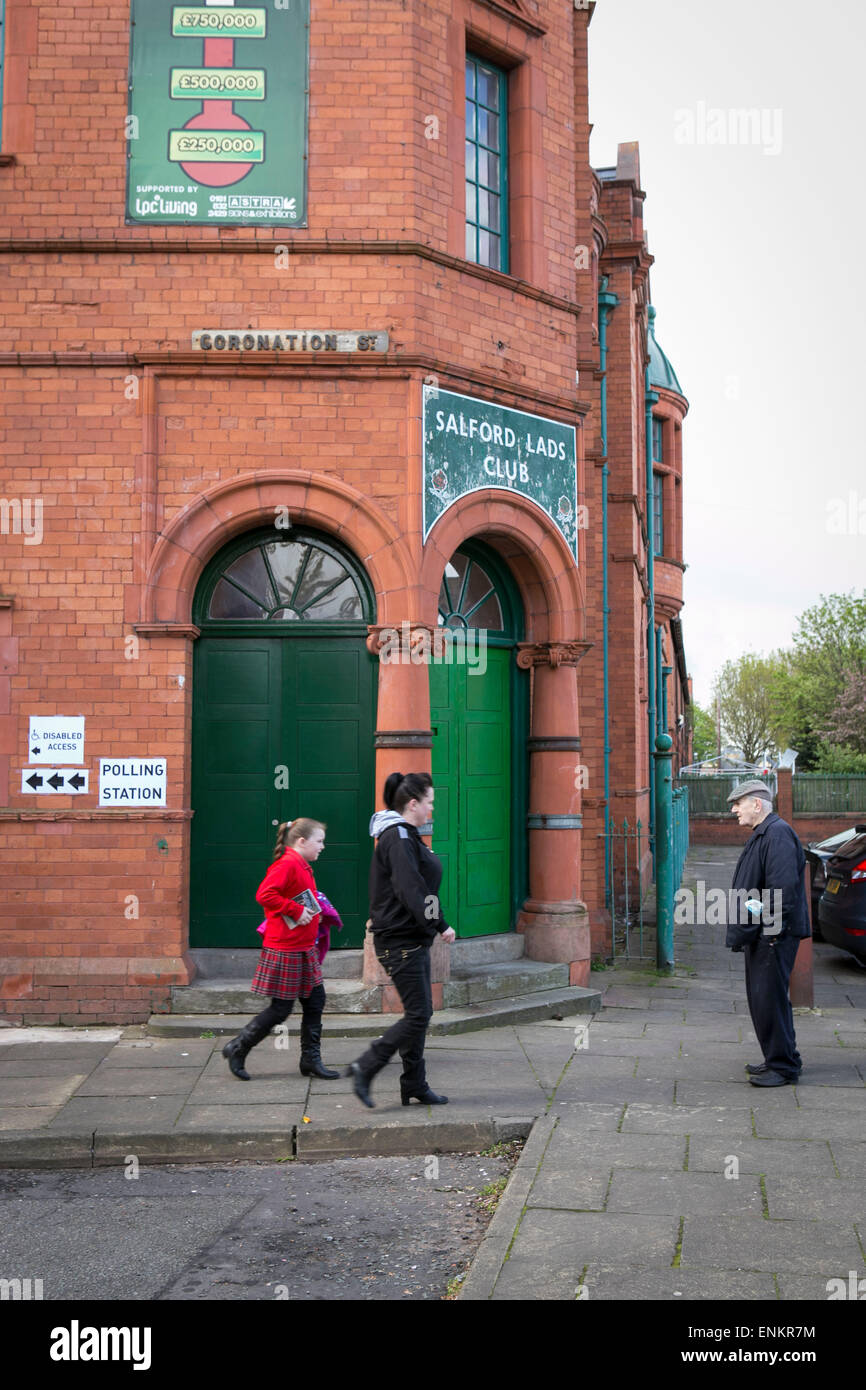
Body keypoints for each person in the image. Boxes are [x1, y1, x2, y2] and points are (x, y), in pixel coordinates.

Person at [347, 772, 456, 1108]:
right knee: (419, 1014)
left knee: (418, 1013)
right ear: (413, 804)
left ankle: (414, 1084)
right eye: (429, 803)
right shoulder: (399, 838)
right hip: (400, 940)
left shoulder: (404, 836)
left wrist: (434, 923)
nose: (432, 810)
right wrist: (441, 924)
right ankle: (366, 1066)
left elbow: (420, 887)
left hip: (411, 938)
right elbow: (412, 890)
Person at [222, 818, 340, 1082]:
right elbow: (264, 894)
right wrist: (297, 910)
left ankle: (310, 1060)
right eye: (319, 841)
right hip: (286, 948)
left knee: (315, 1001)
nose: (323, 846)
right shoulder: (287, 864)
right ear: (301, 841)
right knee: (280, 1009)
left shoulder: (301, 865)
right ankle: (238, 1048)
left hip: (302, 947)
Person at [726, 780, 810, 1087]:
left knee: (769, 1000)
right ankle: (782, 1058)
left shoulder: (776, 834)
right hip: (764, 934)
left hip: (773, 936)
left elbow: (781, 893)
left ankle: (783, 1067)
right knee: (766, 1000)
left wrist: (768, 933)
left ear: (757, 804)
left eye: (739, 803)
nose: (734, 809)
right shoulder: (765, 833)